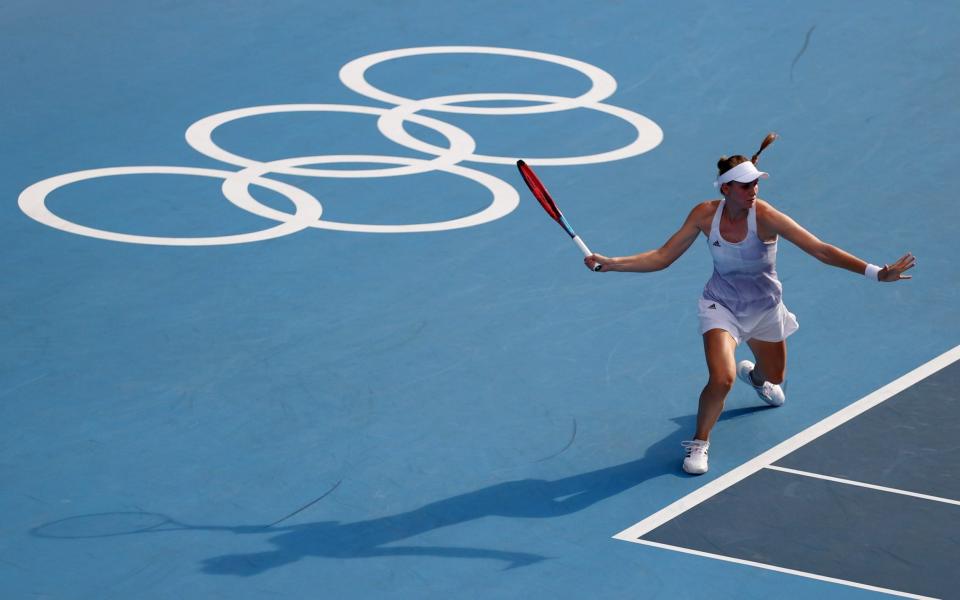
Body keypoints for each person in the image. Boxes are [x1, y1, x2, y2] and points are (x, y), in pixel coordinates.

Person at [584, 133, 915, 475]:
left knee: (775, 375)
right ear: (725, 189)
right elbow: (662, 257)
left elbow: (820, 249)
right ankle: (699, 442)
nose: (753, 190)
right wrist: (612, 263)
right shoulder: (703, 215)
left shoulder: (766, 217)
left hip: (765, 310)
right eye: (745, 185)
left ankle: (757, 378)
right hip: (721, 307)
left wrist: (876, 273)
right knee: (722, 378)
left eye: (755, 183)